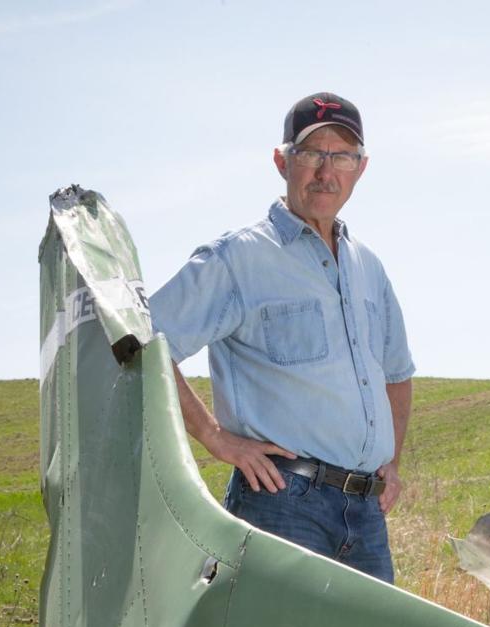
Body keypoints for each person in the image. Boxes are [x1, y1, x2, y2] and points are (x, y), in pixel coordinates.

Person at [149, 92, 414, 583]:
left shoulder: (368, 268)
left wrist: (392, 462)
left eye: (342, 156)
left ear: (361, 167)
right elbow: (146, 342)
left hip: (366, 513)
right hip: (281, 505)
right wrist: (215, 438)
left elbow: (396, 374)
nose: (325, 171)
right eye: (312, 153)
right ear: (281, 160)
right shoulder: (238, 258)